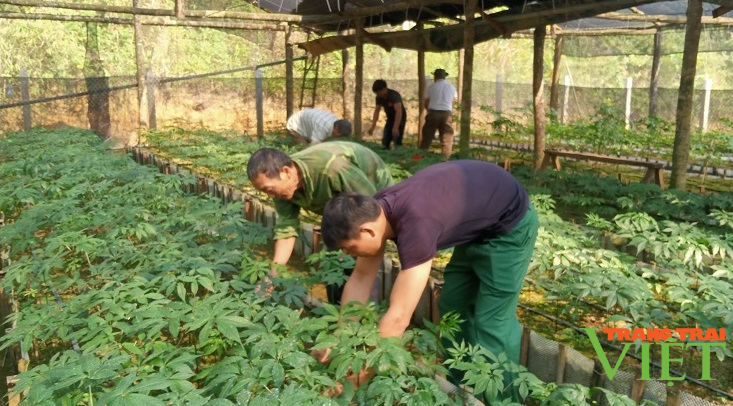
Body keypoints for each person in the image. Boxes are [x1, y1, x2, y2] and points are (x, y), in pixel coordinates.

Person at [320, 160, 538, 401]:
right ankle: (459, 387)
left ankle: (502, 399)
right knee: (453, 306)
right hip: (479, 221)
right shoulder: (376, 211)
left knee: (492, 322)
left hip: (509, 223)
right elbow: (361, 278)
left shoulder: (416, 224)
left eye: (349, 248)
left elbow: (399, 317)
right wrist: (339, 341)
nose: (348, 255)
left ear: (367, 231)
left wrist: (359, 375)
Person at [246, 141, 394, 303]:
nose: (270, 196)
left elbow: (372, 212)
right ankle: (338, 312)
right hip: (337, 209)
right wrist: (272, 276)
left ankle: (366, 317)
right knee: (333, 262)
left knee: (363, 260)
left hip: (373, 199)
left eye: (268, 189)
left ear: (286, 171)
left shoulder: (334, 169)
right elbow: (286, 230)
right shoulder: (281, 189)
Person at [420, 68, 457, 159]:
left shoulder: (431, 87)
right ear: (445, 77)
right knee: (447, 139)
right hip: (446, 113)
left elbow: (425, 102)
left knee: (427, 137)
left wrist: (430, 111)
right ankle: (445, 159)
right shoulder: (451, 87)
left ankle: (420, 157)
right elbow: (454, 101)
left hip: (433, 112)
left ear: (435, 77)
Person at [368, 80, 406, 149]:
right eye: (376, 93)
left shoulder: (394, 95)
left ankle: (397, 154)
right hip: (390, 118)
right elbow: (377, 111)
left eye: (378, 92)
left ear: (384, 89)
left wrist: (396, 127)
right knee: (385, 140)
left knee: (396, 140)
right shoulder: (379, 98)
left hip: (399, 118)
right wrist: (372, 126)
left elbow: (399, 112)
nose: (377, 95)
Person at [286, 108, 352, 145]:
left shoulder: (336, 121)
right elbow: (313, 146)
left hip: (308, 122)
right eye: (340, 134)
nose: (340, 137)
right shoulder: (323, 127)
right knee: (305, 151)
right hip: (296, 125)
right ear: (336, 128)